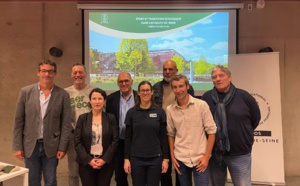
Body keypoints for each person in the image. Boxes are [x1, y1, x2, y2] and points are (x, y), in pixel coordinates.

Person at [13, 59, 72, 186]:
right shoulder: (25, 92)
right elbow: (18, 121)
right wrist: (17, 146)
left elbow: (66, 124)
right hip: (30, 145)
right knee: (33, 181)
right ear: (38, 73)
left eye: (50, 71)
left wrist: (62, 147)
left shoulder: (63, 95)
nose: (47, 74)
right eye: (44, 71)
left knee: (51, 181)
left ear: (55, 73)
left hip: (52, 146)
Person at [201, 65, 261, 186]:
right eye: (214, 77)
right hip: (214, 154)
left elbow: (255, 118)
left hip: (240, 153)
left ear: (229, 77)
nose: (218, 79)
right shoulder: (206, 98)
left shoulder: (244, 96)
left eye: (221, 75)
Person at [166, 74, 217, 186]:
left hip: (200, 158)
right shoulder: (170, 110)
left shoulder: (201, 105)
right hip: (181, 158)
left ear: (187, 86)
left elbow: (212, 131)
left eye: (181, 86)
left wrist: (206, 157)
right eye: (175, 87)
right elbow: (171, 134)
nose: (178, 90)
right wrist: (173, 156)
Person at [153, 59, 195, 186]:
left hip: (181, 134)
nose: (167, 72)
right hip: (162, 132)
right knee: (164, 168)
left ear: (176, 70)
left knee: (180, 168)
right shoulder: (156, 87)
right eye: (165, 69)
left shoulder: (187, 88)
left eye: (170, 69)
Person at [124, 81, 169, 186]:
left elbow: (163, 137)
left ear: (152, 92)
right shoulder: (131, 112)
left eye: (147, 90)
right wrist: (126, 159)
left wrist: (165, 159)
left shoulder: (159, 112)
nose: (145, 93)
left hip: (155, 158)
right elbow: (128, 137)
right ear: (138, 93)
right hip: (136, 159)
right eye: (142, 91)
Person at [74, 88, 119, 186]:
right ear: (90, 101)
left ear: (104, 101)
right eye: (94, 98)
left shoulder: (111, 118)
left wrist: (104, 159)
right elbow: (77, 141)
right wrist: (89, 160)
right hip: (86, 163)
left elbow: (115, 141)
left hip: (105, 162)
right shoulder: (82, 118)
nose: (97, 101)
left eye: (100, 98)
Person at [65, 63, 95, 186]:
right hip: (73, 136)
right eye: (75, 72)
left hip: (90, 136)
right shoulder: (65, 93)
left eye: (80, 72)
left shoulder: (93, 91)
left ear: (86, 74)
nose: (78, 75)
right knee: (73, 172)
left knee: (90, 170)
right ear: (72, 74)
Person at [106, 71, 137, 186]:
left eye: (126, 81)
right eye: (121, 81)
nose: (124, 83)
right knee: (119, 176)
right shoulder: (110, 99)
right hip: (118, 143)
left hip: (136, 143)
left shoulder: (140, 97)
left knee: (137, 175)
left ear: (131, 82)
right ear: (117, 83)